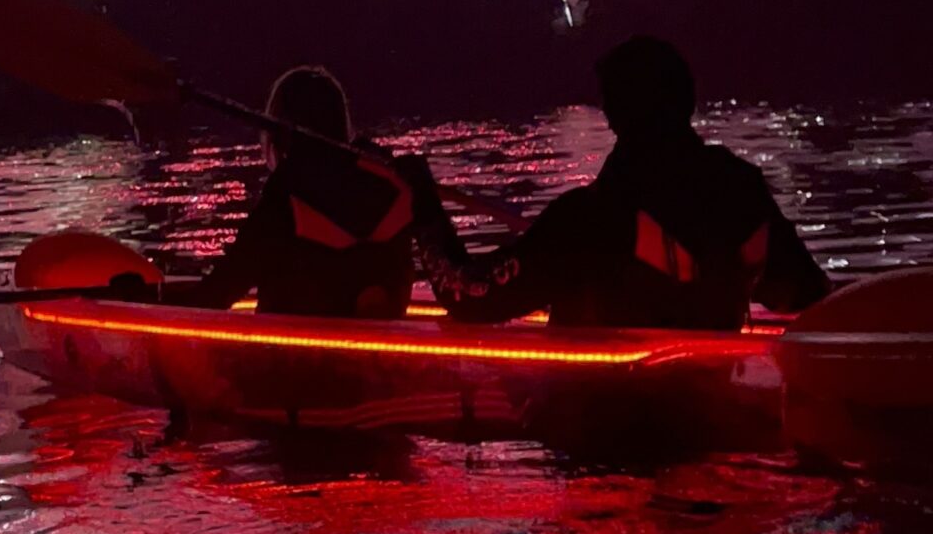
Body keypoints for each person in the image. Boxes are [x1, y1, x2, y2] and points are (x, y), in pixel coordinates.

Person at [451, 35, 828, 330]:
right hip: (710, 410)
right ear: (687, 103)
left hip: (598, 419)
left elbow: (471, 298)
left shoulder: (590, 217)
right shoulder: (742, 193)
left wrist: (422, 209)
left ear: (615, 115)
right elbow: (803, 294)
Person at [196, 65, 469, 317]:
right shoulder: (395, 179)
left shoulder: (286, 192)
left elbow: (219, 291)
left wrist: (155, 297)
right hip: (381, 359)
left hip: (292, 362)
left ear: (282, 132)